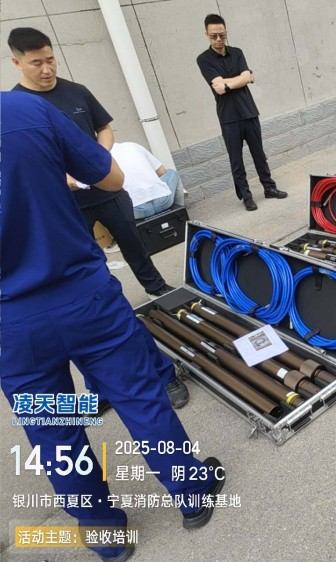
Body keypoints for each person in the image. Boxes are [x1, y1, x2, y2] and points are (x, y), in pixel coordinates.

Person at [0, 91, 226, 561]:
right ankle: (190, 491)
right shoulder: (26, 111)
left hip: (12, 324)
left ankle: (104, 533)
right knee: (138, 395)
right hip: (82, 295)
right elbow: (112, 177)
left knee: (51, 426)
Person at [8, 27, 175, 299]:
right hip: (66, 201)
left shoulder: (77, 92)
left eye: (50, 60)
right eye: (36, 63)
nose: (47, 69)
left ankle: (157, 289)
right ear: (17, 63)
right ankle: (106, 301)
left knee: (134, 244)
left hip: (107, 189)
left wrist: (99, 157)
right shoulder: (18, 106)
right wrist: (61, 176)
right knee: (86, 259)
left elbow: (104, 128)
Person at [196, 13, 287, 212]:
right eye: (213, 36)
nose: (218, 39)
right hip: (229, 118)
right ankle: (246, 196)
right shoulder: (203, 59)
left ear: (226, 31)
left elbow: (248, 78)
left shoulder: (237, 53)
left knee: (259, 154)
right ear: (206, 35)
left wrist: (228, 82)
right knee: (236, 160)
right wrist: (241, 79)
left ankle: (269, 188)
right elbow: (221, 87)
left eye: (222, 35)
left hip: (249, 112)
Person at [110, 141, 184, 220]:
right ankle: (181, 214)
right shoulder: (132, 145)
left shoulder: (104, 159)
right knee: (171, 173)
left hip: (135, 210)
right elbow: (162, 171)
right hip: (164, 200)